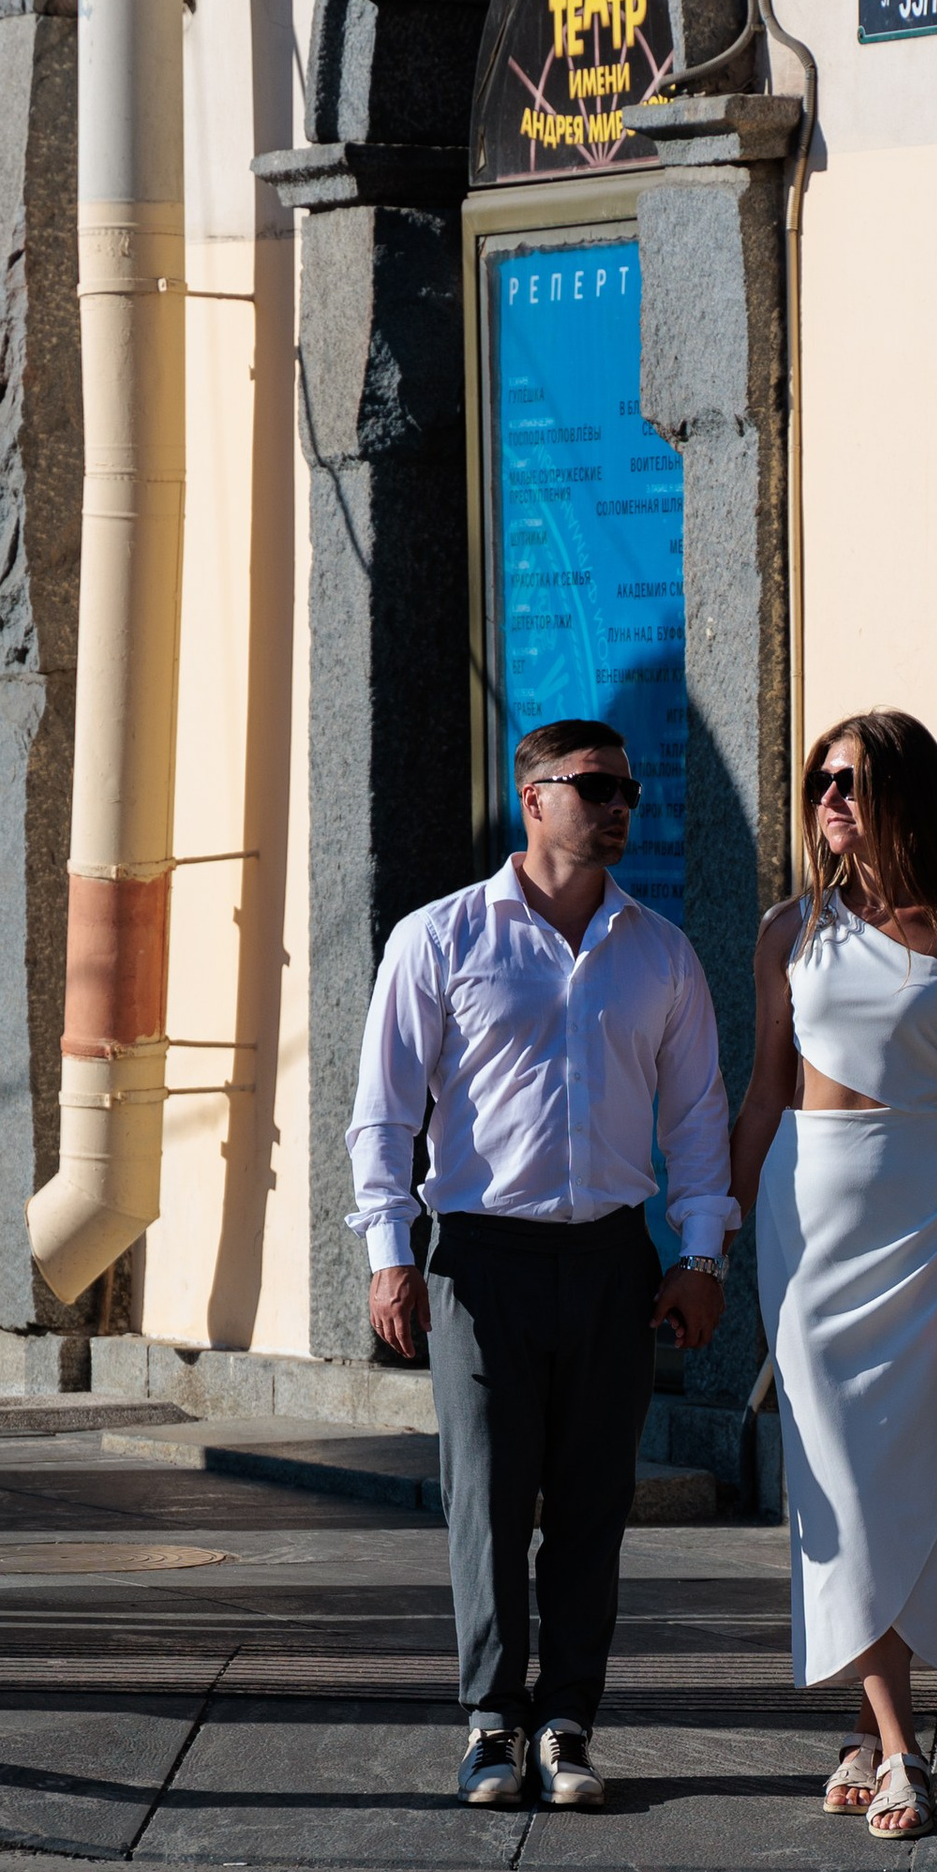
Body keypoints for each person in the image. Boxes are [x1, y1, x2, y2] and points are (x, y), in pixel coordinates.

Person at [347, 719, 735, 1811]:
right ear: (534, 798)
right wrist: (391, 1257)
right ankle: (488, 1723)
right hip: (481, 1256)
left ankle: (566, 1722)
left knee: (592, 1503)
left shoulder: (658, 950)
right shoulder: (442, 938)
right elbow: (382, 1115)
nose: (618, 807)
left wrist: (701, 1254)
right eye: (595, 787)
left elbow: (698, 1117)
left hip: (612, 1258)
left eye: (628, 791)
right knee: (485, 1496)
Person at [728, 712, 937, 1844]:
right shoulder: (785, 931)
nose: (832, 800)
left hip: (926, 1223)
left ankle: (872, 1729)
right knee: (833, 1483)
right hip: (806, 1230)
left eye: (851, 780)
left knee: (910, 1489)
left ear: (905, 793)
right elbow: (760, 1094)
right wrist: (707, 1237)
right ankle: (902, 1749)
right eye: (820, 782)